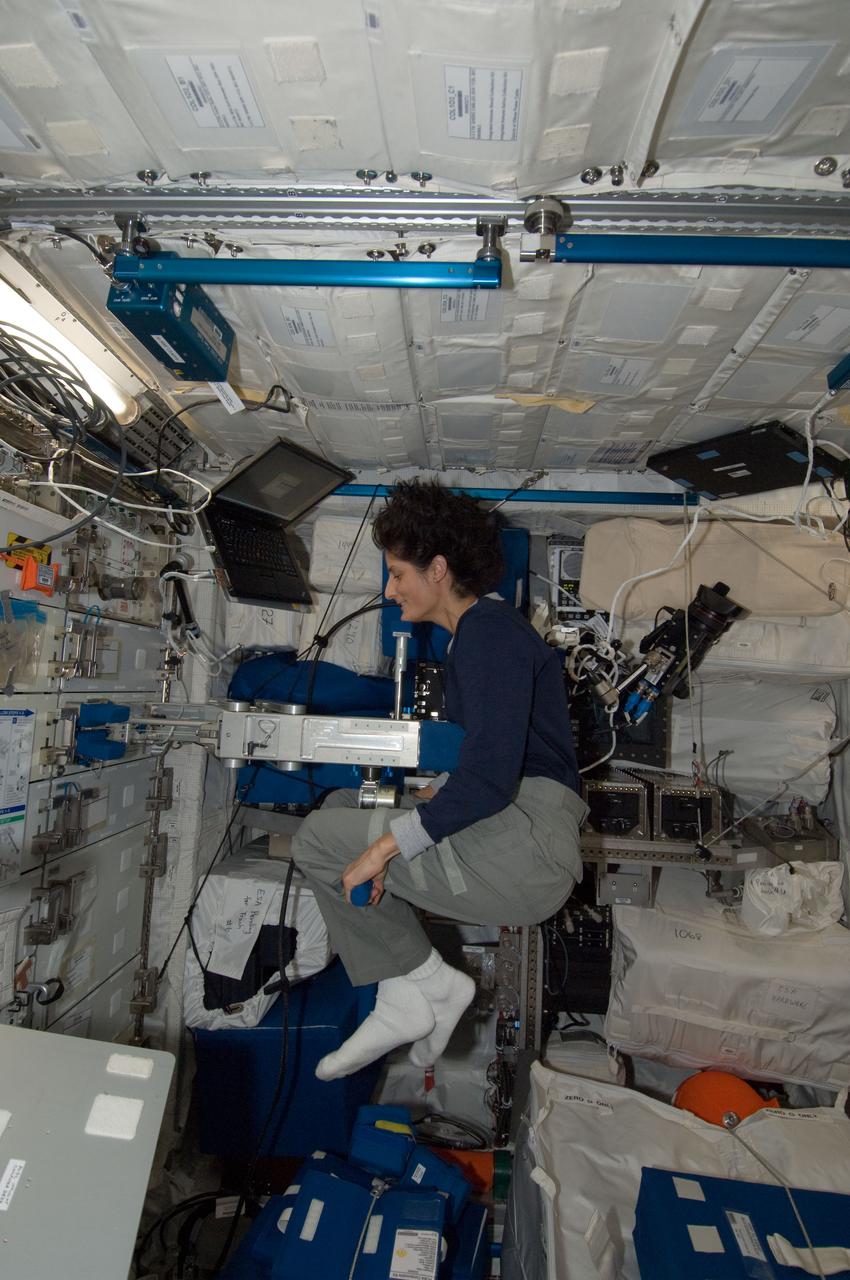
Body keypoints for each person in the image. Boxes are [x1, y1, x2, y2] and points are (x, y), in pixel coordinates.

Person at [291, 478, 585, 1081]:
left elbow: (488, 781)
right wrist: (412, 808)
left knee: (320, 840)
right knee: (346, 803)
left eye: (399, 573)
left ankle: (425, 985)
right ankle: (408, 989)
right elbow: (488, 767)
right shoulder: (474, 639)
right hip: (519, 832)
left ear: (439, 569)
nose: (392, 589)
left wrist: (383, 848)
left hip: (530, 850)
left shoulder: (490, 633)